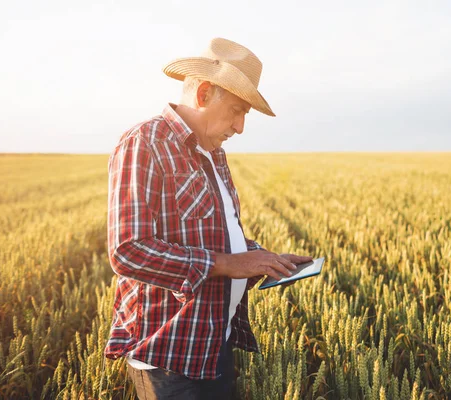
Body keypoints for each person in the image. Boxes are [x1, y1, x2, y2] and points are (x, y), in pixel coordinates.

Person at [105, 37, 312, 399]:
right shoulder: (145, 142)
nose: (241, 126)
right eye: (237, 110)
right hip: (170, 357)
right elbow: (128, 251)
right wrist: (228, 263)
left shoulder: (214, 154)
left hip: (216, 342)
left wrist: (264, 259)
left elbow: (218, 238)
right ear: (203, 94)